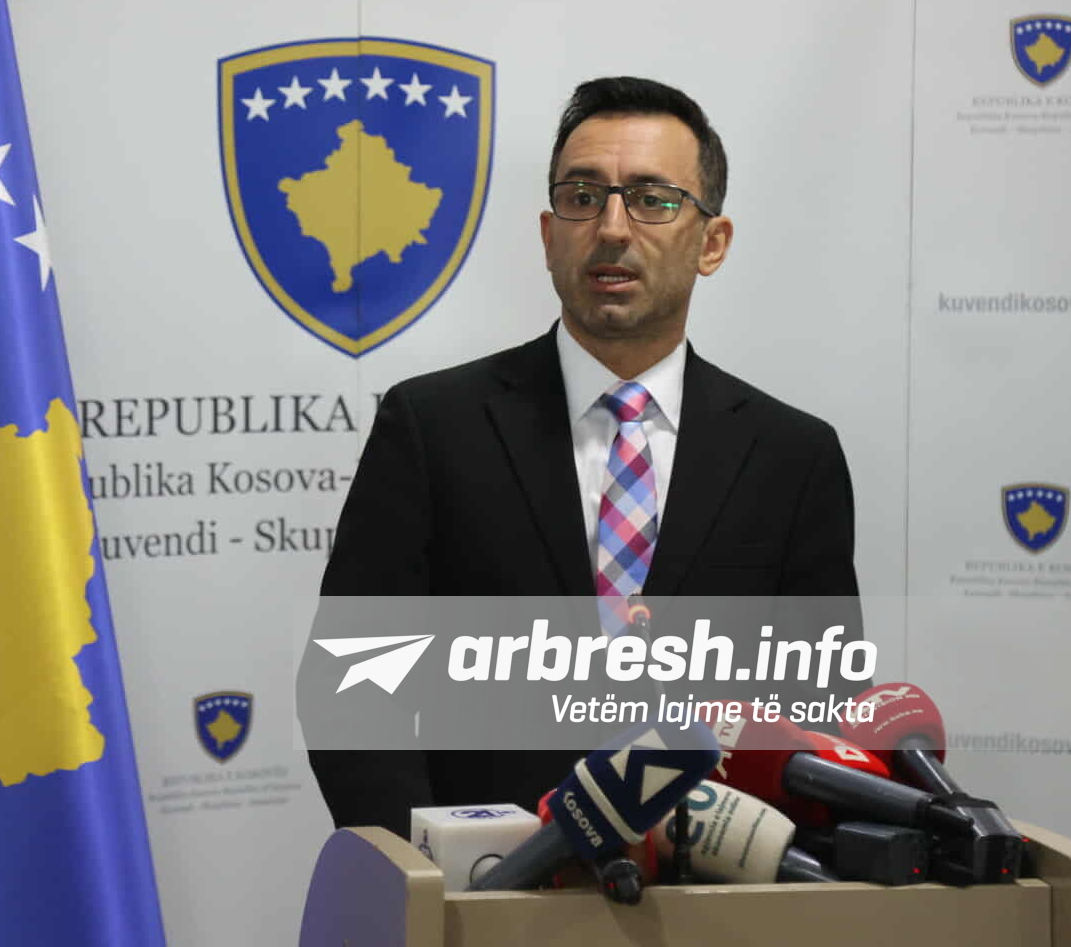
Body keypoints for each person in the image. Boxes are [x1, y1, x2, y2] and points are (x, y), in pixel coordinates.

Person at [307, 76, 862, 839]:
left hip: (710, 888)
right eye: (582, 196)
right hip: (486, 885)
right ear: (548, 235)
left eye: (653, 199)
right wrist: (432, 869)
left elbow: (817, 711)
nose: (610, 228)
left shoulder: (791, 458)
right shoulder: (434, 428)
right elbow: (351, 684)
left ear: (712, 242)